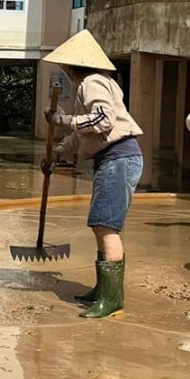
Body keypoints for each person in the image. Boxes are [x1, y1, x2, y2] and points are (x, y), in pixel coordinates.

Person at [40, 30, 143, 319]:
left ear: (72, 65)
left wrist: (64, 119)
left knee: (106, 226)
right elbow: (83, 133)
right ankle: (103, 291)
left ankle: (112, 300)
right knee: (101, 224)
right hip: (115, 158)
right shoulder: (98, 83)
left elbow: (103, 119)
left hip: (118, 157)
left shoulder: (92, 82)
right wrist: (58, 153)